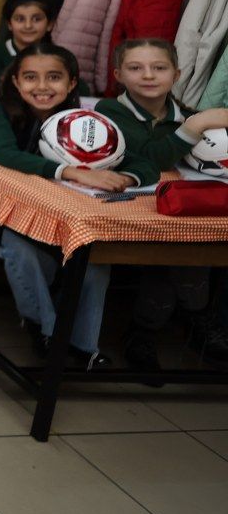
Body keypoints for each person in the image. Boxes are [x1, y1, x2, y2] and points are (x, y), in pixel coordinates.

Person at [0, 42, 143, 368]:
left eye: (54, 77)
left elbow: (134, 160)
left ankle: (83, 346)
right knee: (24, 254)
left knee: (93, 263)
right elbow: (8, 156)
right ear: (16, 82)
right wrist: (70, 171)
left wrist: (127, 176)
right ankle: (46, 332)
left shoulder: (84, 120)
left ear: (72, 82)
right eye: (30, 77)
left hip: (58, 219)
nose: (42, 86)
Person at [96, 39, 228, 371]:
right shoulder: (109, 111)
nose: (148, 75)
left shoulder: (186, 113)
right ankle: (145, 330)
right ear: (118, 74)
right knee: (163, 257)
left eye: (159, 68)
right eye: (135, 68)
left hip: (176, 210)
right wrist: (194, 127)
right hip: (126, 212)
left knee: (193, 251)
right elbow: (150, 159)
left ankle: (193, 321)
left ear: (176, 74)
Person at [0, 0, 53, 92]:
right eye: (20, 19)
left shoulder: (59, 57)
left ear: (49, 25)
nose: (28, 26)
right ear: (9, 24)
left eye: (36, 19)